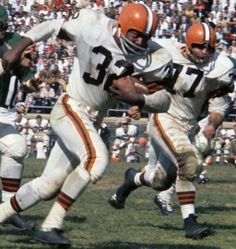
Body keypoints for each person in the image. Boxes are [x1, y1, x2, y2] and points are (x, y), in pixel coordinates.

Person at [0, 3, 173, 246]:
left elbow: (165, 100)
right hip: (71, 107)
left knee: (48, 185)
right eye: (136, 34)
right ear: (123, 25)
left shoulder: (156, 55)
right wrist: (19, 47)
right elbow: (52, 26)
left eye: (146, 36)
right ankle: (51, 225)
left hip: (92, 118)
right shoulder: (93, 24)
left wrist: (141, 99)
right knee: (96, 159)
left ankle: (2, 213)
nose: (141, 41)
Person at [109, 22, 235, 239]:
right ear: (188, 44)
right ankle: (190, 222)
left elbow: (218, 105)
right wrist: (138, 103)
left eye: (209, 48)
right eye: (199, 46)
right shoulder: (166, 51)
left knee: (161, 181)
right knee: (190, 161)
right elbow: (138, 75)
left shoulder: (220, 67)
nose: (204, 52)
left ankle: (131, 180)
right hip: (164, 116)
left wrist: (212, 125)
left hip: (188, 125)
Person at [0, 5, 39, 231]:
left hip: (4, 112)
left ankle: (8, 209)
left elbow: (27, 79)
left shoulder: (15, 41)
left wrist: (31, 83)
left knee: (16, 147)